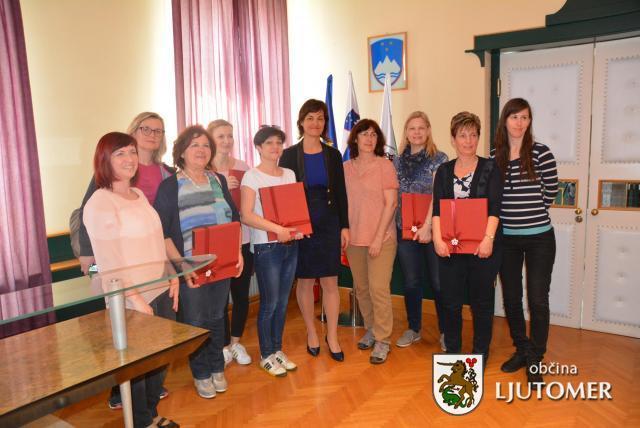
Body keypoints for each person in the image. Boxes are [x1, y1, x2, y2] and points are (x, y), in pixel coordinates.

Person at [77, 112, 173, 410]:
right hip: (132, 298)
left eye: (132, 152)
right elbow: (110, 264)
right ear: (105, 160)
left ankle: (151, 414)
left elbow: (156, 239)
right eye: (120, 154)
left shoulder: (138, 195)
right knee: (137, 367)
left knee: (159, 360)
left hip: (160, 288)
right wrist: (136, 300)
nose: (130, 158)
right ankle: (141, 419)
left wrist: (171, 275)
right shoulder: (100, 201)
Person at [154, 125, 243, 399]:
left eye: (205, 145)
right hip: (190, 268)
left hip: (221, 265)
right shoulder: (170, 186)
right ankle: (201, 373)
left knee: (217, 318)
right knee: (196, 322)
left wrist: (237, 253)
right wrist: (181, 266)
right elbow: (163, 232)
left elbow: (234, 219)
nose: (201, 150)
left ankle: (217, 367)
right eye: (195, 145)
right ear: (181, 152)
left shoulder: (218, 180)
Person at [492, 98, 558, 384]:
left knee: (538, 300)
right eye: (514, 117)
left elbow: (550, 192)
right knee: (511, 298)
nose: (520, 123)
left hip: (540, 239)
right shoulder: (494, 156)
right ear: (505, 120)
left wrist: (529, 215)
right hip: (506, 239)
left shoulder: (541, 153)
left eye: (525, 117)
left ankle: (535, 357)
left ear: (530, 122)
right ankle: (522, 349)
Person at [279, 99, 349, 362]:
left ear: (325, 123)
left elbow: (341, 193)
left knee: (331, 281)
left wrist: (345, 226)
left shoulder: (333, 155)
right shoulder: (288, 155)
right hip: (301, 224)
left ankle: (332, 336)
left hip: (329, 222)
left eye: (320, 118)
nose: (315, 123)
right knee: (306, 280)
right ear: (301, 122)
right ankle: (311, 332)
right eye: (310, 118)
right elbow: (284, 193)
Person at [431, 111, 502, 365]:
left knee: (481, 303)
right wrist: (437, 239)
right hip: (450, 249)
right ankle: (452, 352)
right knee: (450, 303)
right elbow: (437, 209)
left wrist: (488, 239)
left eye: (473, 135)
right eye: (463, 135)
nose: (469, 140)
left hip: (482, 248)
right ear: (453, 139)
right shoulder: (443, 170)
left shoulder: (491, 168)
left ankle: (480, 353)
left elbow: (495, 208)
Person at [240, 126, 303, 377]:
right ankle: (266, 355)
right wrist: (278, 229)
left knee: (283, 302)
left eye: (278, 142)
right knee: (270, 303)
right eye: (268, 143)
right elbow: (246, 215)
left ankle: (277, 350)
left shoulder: (289, 173)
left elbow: (293, 209)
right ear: (258, 147)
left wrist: (299, 228)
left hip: (290, 244)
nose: (275, 147)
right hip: (266, 246)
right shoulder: (252, 176)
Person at [343, 119, 398, 364]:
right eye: (364, 134)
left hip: (381, 238)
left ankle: (383, 339)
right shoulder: (345, 168)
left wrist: (377, 238)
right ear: (355, 138)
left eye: (374, 134)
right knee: (362, 288)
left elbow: (391, 204)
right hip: (354, 238)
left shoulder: (385, 165)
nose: (369, 138)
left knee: (378, 289)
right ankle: (372, 329)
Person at [393, 111, 448, 349]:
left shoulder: (439, 158)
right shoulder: (396, 161)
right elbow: (393, 197)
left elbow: (438, 195)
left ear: (428, 131)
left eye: (421, 128)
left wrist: (427, 227)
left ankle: (446, 331)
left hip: (432, 230)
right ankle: (413, 328)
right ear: (406, 132)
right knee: (411, 282)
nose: (416, 133)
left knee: (438, 282)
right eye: (412, 128)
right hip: (404, 230)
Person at [207, 119, 253, 366]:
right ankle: (223, 345)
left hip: (243, 238)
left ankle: (235, 342)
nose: (226, 141)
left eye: (230, 136)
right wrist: (222, 182)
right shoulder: (204, 170)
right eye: (221, 136)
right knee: (220, 298)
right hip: (217, 243)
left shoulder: (244, 167)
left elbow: (251, 203)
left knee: (241, 294)